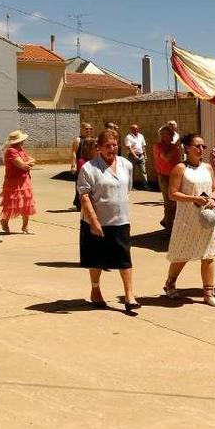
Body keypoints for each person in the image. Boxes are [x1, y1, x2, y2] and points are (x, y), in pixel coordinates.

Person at [77, 129, 139, 312]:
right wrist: (94, 220)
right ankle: (95, 290)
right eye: (107, 146)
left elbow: (127, 189)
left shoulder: (126, 164)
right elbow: (85, 196)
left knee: (124, 258)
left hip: (120, 219)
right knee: (96, 259)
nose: (112, 149)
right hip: (96, 222)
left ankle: (129, 296)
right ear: (99, 148)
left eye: (114, 145)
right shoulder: (89, 168)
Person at [164, 133, 215, 308]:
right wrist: (193, 199)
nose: (201, 149)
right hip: (187, 219)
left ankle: (208, 293)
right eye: (197, 146)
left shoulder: (208, 168)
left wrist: (213, 198)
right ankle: (170, 283)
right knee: (182, 254)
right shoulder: (180, 168)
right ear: (187, 148)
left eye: (203, 146)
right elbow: (172, 193)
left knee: (209, 254)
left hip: (207, 218)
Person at [0, 130, 37, 234]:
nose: (23, 142)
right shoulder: (11, 151)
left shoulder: (21, 150)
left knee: (27, 203)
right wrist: (28, 163)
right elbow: (23, 166)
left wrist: (27, 163)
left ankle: (25, 227)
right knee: (11, 203)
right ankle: (4, 221)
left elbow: (32, 160)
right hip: (13, 181)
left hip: (25, 180)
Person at [153, 126, 182, 230]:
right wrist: (175, 147)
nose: (172, 135)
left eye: (172, 134)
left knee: (176, 202)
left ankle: (166, 220)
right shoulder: (158, 146)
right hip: (165, 177)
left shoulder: (174, 147)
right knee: (170, 203)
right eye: (170, 134)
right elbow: (166, 158)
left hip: (175, 176)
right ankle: (170, 228)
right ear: (163, 135)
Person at [70, 122, 93, 210]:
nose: (88, 130)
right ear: (82, 129)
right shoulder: (78, 140)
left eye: (90, 129)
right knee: (80, 184)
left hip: (90, 163)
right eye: (86, 128)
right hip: (81, 162)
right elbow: (74, 153)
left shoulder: (92, 140)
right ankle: (79, 203)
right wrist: (73, 165)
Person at [124, 124, 149, 190]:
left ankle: (145, 186)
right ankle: (131, 186)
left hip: (141, 156)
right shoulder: (128, 137)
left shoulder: (141, 136)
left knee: (144, 171)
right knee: (131, 172)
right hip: (132, 156)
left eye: (137, 128)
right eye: (135, 129)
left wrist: (145, 155)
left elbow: (143, 146)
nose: (136, 130)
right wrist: (134, 156)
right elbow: (129, 148)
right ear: (131, 130)